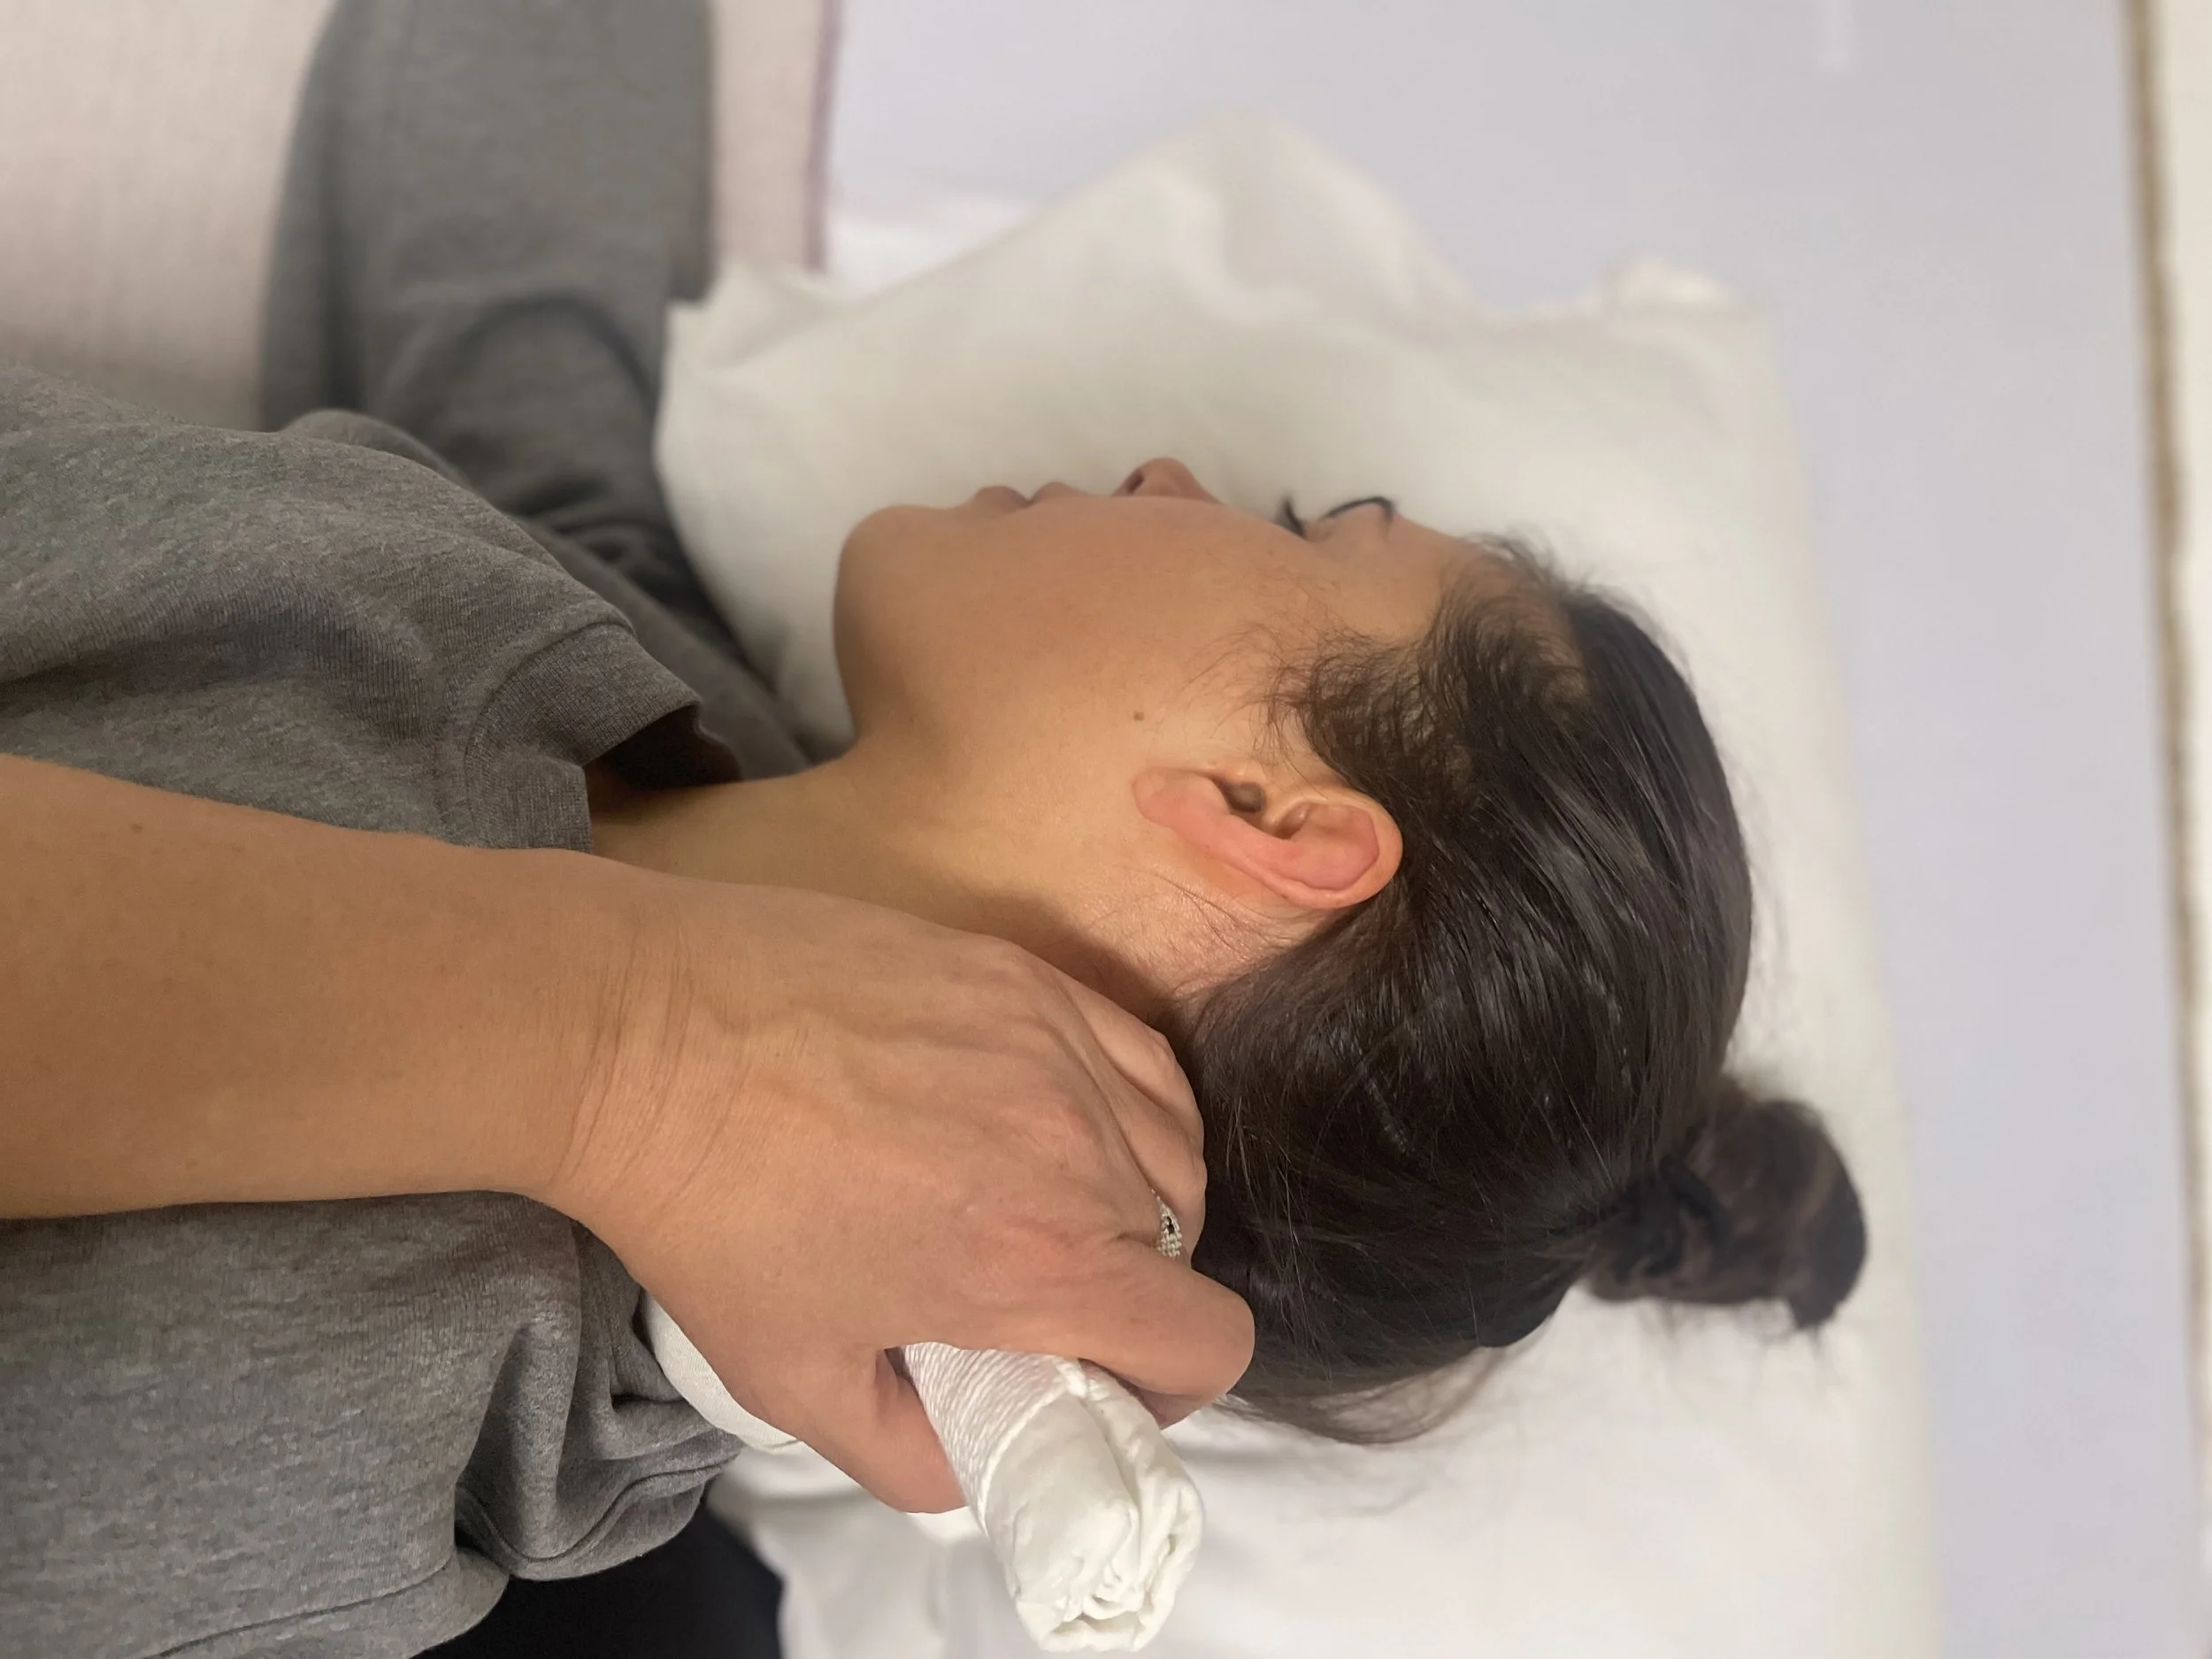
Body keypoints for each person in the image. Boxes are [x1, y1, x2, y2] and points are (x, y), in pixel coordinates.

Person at [0, 2, 1863, 1655]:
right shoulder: (658, 688)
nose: (1165, 472)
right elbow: (511, 274)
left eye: (1299, 527)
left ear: (1273, 819)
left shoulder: (369, 1401)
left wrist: (638, 1057)